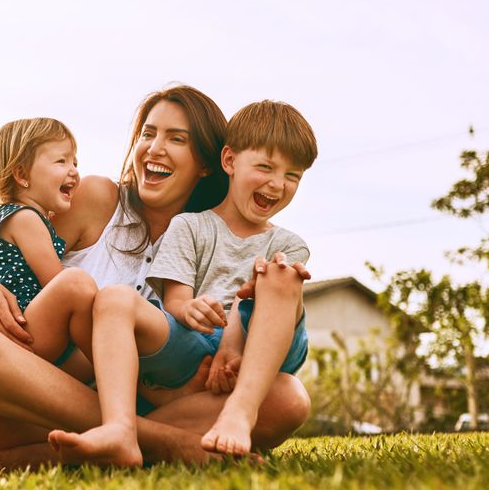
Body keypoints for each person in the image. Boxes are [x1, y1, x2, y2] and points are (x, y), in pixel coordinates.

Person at [0, 85, 312, 470]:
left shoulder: (217, 240)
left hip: (147, 407)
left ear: (207, 164)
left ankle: (66, 450)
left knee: (287, 398)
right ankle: (158, 442)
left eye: (176, 139)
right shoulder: (96, 198)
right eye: (148, 133)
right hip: (23, 401)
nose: (154, 148)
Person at [48, 100, 317, 467]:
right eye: (266, 167)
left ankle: (239, 412)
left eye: (292, 176)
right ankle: (119, 429)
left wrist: (235, 343)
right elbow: (175, 300)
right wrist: (188, 308)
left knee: (279, 277)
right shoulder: (189, 226)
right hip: (197, 345)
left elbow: (261, 304)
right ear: (229, 162)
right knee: (114, 298)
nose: (277, 184)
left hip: (262, 348)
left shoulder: (288, 244)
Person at [0, 117, 96, 383]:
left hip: (21, 331)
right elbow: (56, 281)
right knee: (76, 283)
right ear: (22, 175)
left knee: (98, 370)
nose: (74, 170)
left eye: (75, 162)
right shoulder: (28, 219)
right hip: (25, 330)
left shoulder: (5, 216)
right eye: (61, 161)